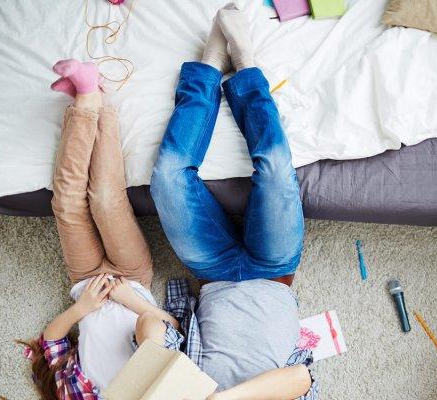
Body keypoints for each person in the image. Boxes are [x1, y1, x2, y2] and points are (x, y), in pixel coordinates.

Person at [150, 4, 317, 399]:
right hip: (274, 269)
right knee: (275, 168)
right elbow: (302, 378)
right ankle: (245, 67)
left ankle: (209, 67)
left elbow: (159, 334)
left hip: (214, 271)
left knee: (168, 178)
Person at [20, 59, 180, 399]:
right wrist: (127, 298)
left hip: (85, 279)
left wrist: (85, 307)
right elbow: (172, 328)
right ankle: (96, 102)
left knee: (65, 203)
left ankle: (87, 100)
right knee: (106, 200)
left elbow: (52, 342)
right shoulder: (153, 394)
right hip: (130, 278)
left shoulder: (75, 395)